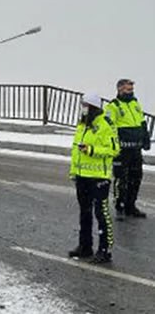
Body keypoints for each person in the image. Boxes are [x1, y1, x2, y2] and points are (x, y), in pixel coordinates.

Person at [68, 94, 119, 263]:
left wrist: (91, 149)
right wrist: (74, 172)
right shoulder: (82, 125)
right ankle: (85, 246)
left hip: (99, 177)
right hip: (82, 176)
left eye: (85, 105)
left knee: (101, 213)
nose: (82, 107)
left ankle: (105, 250)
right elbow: (76, 151)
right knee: (85, 212)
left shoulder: (105, 124)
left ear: (93, 107)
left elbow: (113, 149)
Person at [104, 79, 151, 220]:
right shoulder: (113, 106)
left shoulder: (135, 104)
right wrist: (115, 145)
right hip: (122, 150)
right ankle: (120, 205)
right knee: (121, 179)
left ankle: (131, 205)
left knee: (136, 178)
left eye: (131, 89)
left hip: (136, 149)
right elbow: (109, 128)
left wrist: (145, 138)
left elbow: (141, 122)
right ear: (119, 90)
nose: (131, 92)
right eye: (127, 89)